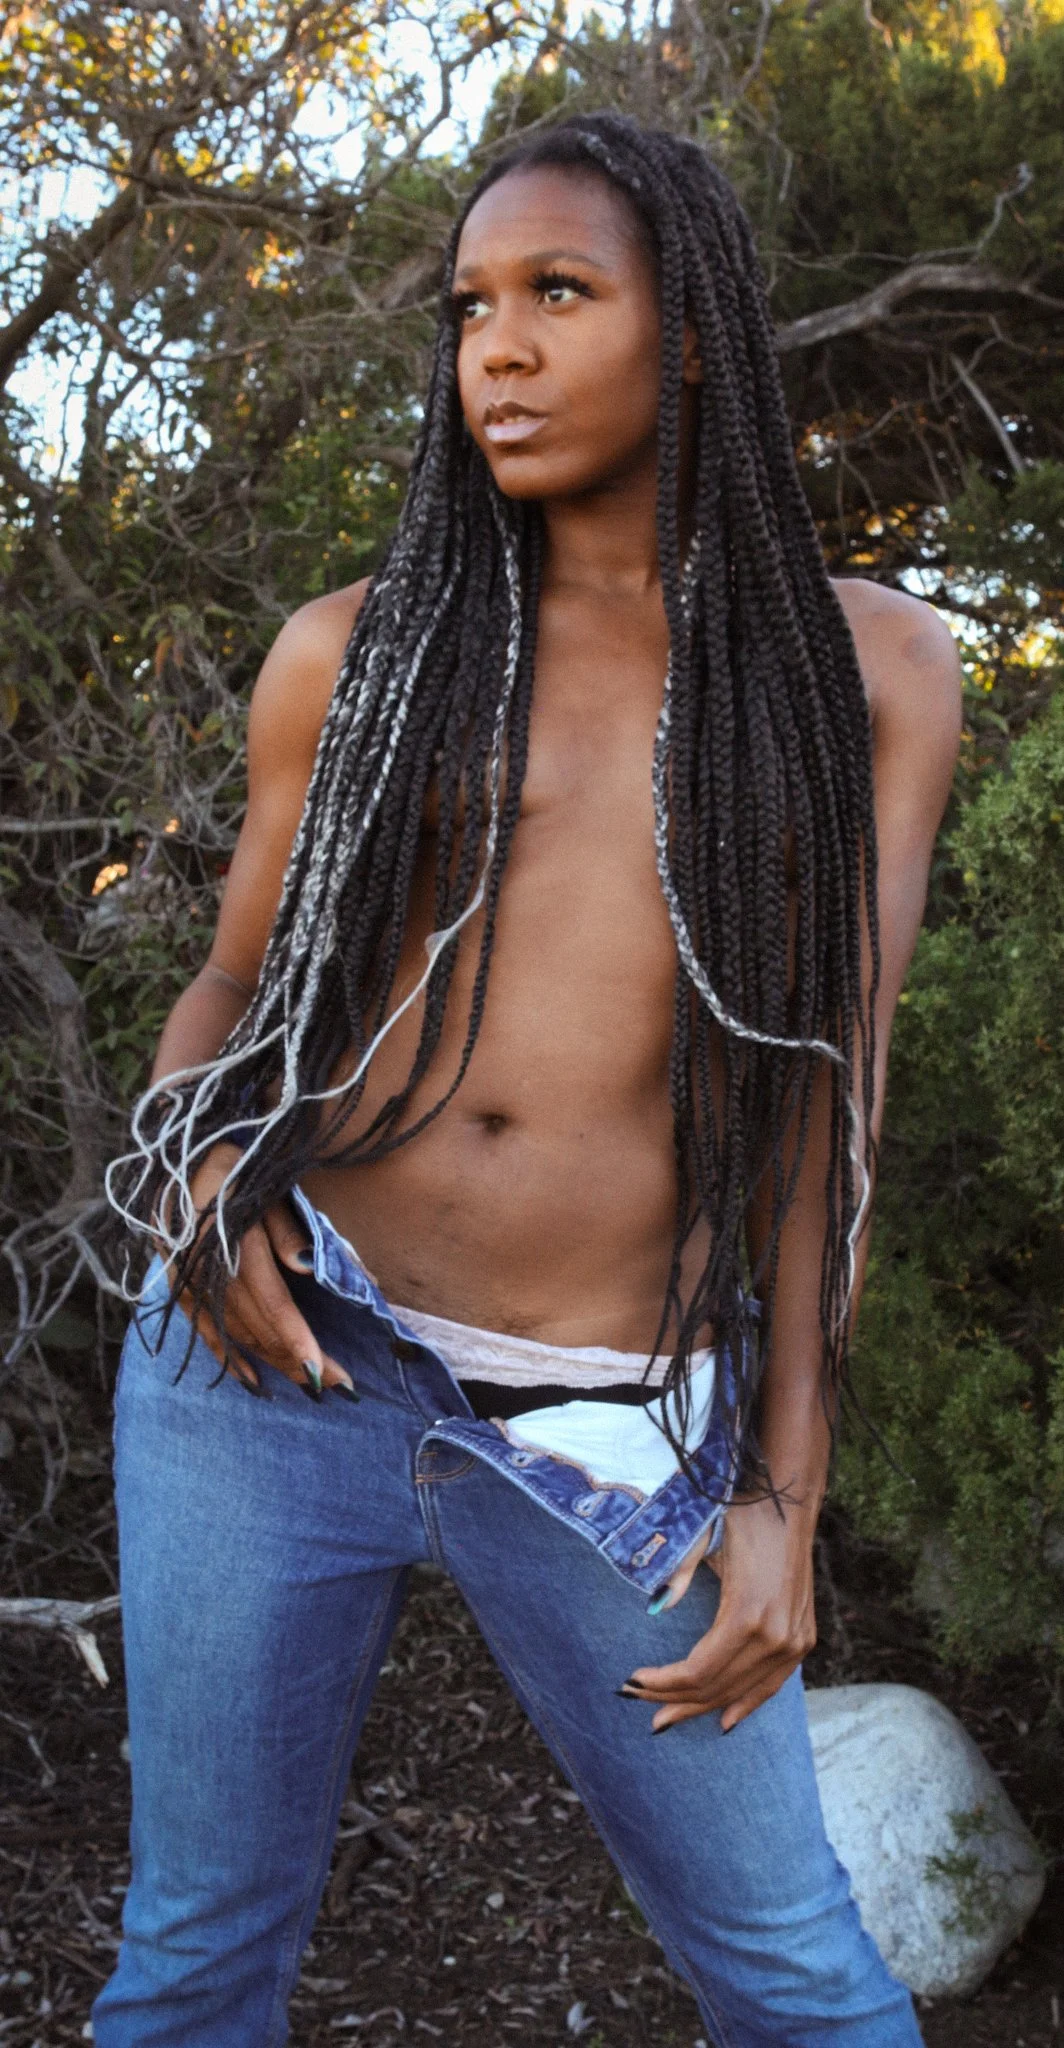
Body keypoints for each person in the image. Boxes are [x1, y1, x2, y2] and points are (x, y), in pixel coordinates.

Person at [95, 112, 962, 2047]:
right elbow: (233, 980)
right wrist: (197, 1182)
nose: (495, 348)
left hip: (612, 1422)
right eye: (472, 306)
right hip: (276, 1366)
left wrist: (784, 1494)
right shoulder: (361, 654)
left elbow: (835, 1099)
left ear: (700, 337)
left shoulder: (866, 676)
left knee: (793, 1973)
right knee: (195, 1961)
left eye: (558, 294)